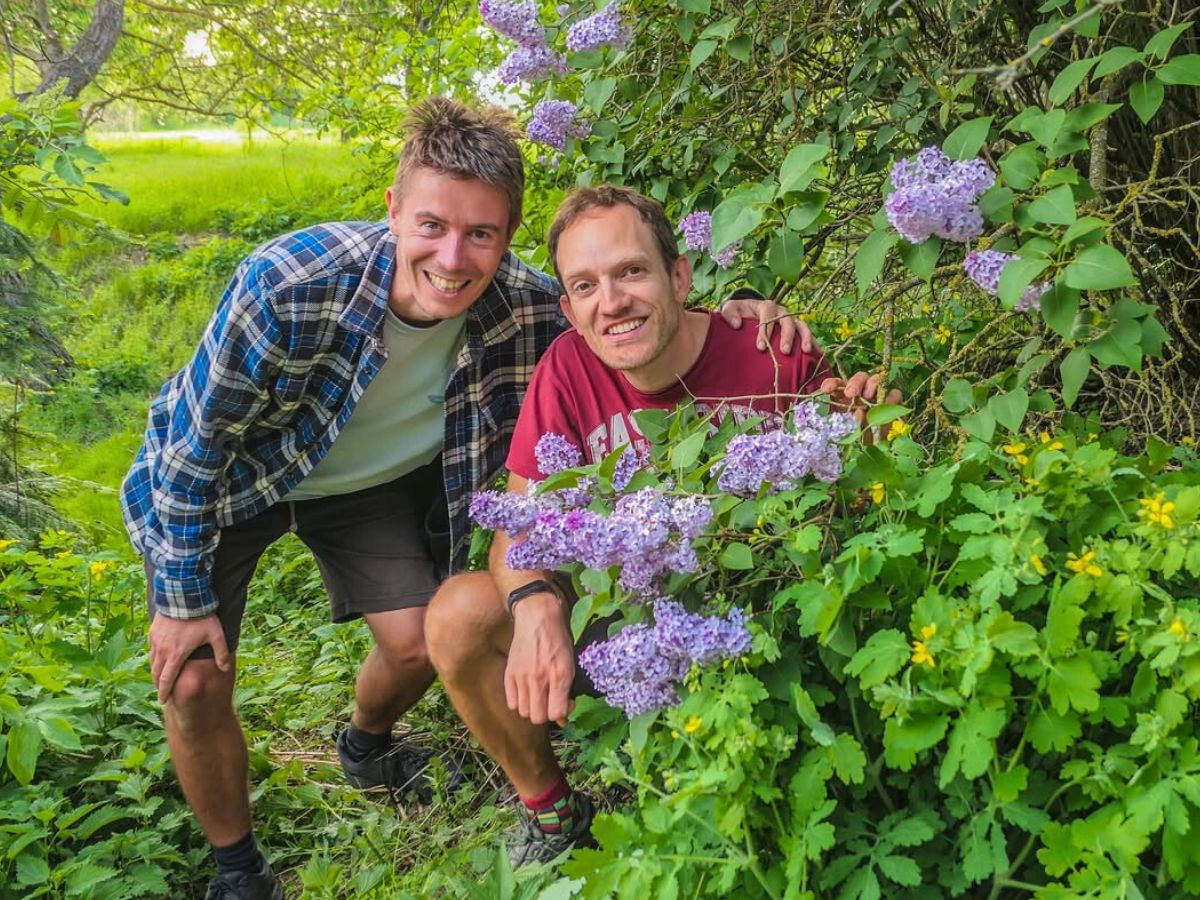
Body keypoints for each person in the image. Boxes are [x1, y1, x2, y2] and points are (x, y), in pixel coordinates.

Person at [120, 100, 815, 899]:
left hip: (364, 489)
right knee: (195, 676)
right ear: (391, 210)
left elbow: (634, 304)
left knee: (420, 640)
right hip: (234, 478)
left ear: (507, 237)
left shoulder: (524, 304)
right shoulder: (287, 284)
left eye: (481, 234)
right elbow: (194, 445)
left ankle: (366, 743)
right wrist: (179, 600)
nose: (453, 258)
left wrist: (748, 306)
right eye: (431, 226)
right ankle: (236, 868)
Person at [424, 184, 897, 869]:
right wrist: (533, 606)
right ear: (569, 309)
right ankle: (555, 814)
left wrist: (870, 421)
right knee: (458, 616)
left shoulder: (769, 348)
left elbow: (848, 478)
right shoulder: (567, 369)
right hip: (628, 612)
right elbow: (519, 528)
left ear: (680, 276)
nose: (610, 302)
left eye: (631, 272)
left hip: (765, 607)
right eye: (585, 285)